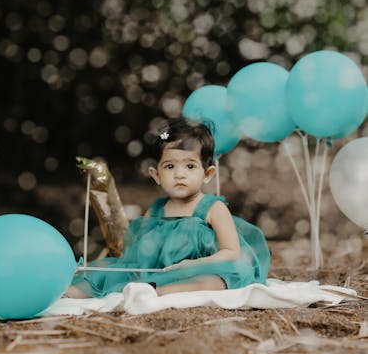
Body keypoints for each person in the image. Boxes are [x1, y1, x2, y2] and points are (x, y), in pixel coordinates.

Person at [66, 117, 270, 298]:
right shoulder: (156, 211)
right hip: (160, 272)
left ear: (207, 174)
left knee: (215, 281)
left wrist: (194, 264)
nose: (179, 174)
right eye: (170, 166)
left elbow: (231, 252)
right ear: (156, 175)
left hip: (201, 269)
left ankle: (156, 291)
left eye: (190, 166)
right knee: (112, 272)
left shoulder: (212, 208)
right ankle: (71, 292)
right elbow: (135, 254)